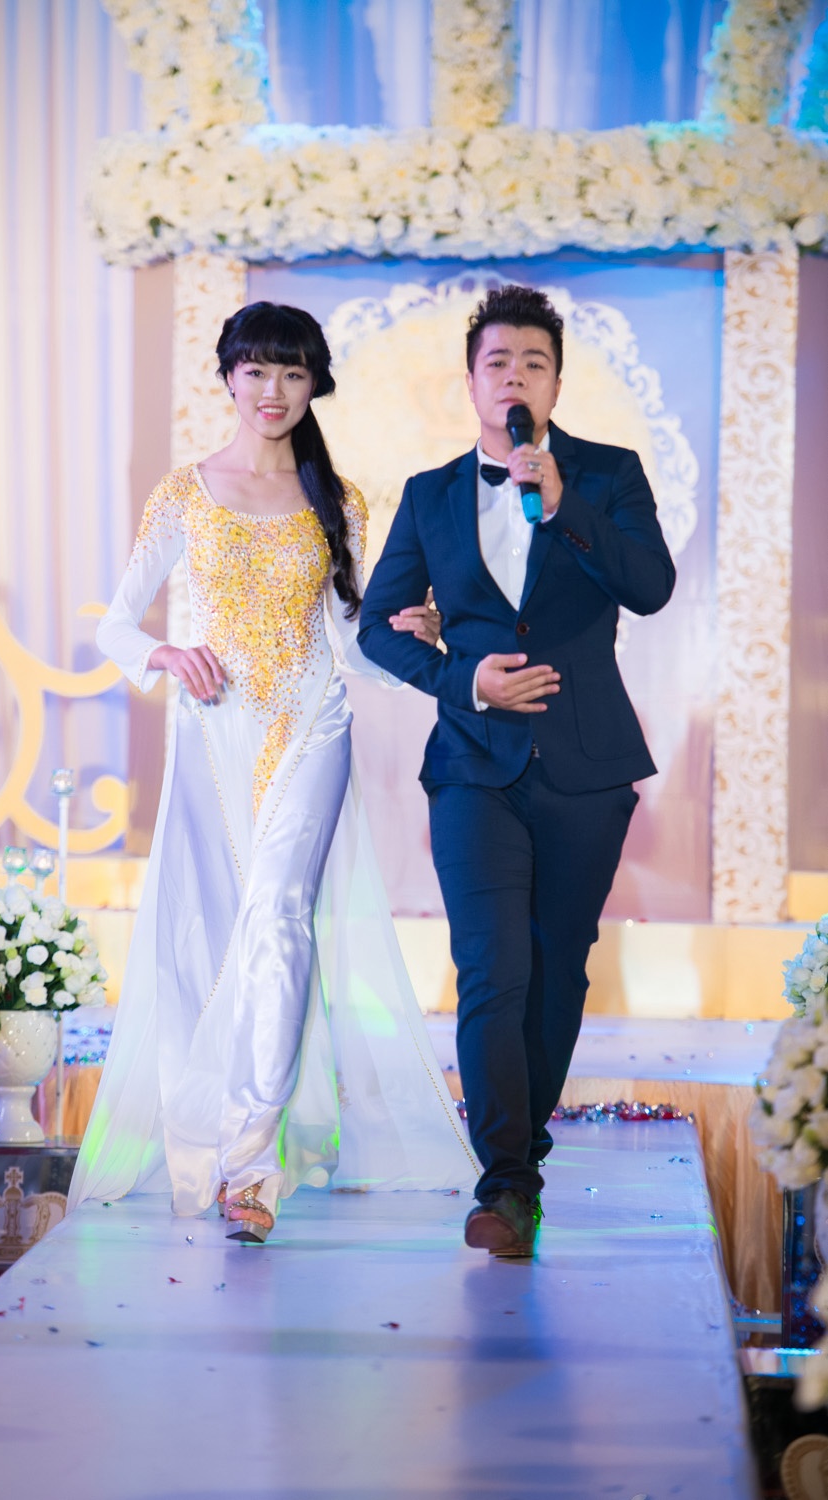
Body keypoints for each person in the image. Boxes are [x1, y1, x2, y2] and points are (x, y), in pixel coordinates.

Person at [68, 301, 479, 1241]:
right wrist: (164, 655)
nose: (272, 390)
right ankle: (214, 1131)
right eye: (255, 370)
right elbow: (114, 624)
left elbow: (354, 644)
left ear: (313, 384)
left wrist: (414, 635)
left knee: (280, 921)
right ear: (227, 376)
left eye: (292, 373)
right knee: (213, 936)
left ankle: (251, 1167)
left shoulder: (339, 500)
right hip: (214, 734)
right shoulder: (183, 492)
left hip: (310, 726)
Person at [358, 284, 676, 1257]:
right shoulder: (429, 494)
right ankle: (502, 1185)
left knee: (554, 971)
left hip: (585, 766)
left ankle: (521, 1161)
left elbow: (650, 586)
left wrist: (564, 502)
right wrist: (463, 678)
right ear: (470, 383)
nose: (513, 378)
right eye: (496, 362)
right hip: (471, 766)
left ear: (555, 385)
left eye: (532, 364)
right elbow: (378, 628)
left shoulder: (607, 474)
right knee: (490, 969)